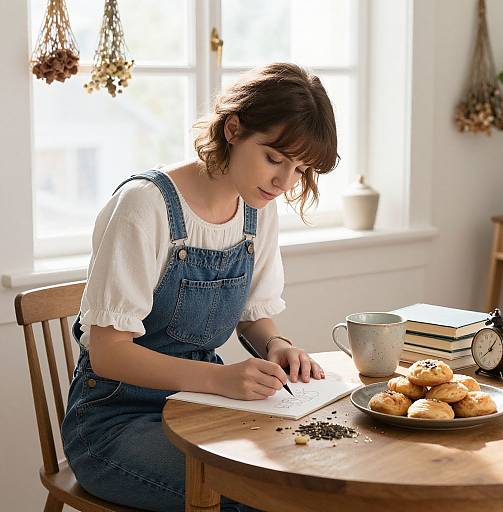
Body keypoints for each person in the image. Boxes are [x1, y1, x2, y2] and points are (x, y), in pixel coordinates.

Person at [61, 62, 339, 512]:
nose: (284, 182)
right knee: (264, 497)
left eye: (300, 169)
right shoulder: (143, 206)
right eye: (274, 158)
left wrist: (276, 345)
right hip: (116, 423)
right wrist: (220, 378)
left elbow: (253, 315)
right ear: (233, 129)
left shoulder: (256, 207)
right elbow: (108, 352)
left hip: (201, 411)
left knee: (317, 472)